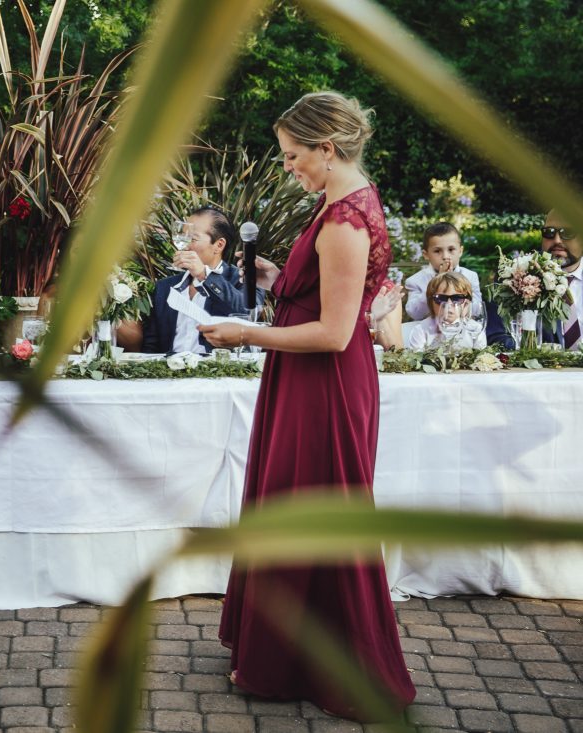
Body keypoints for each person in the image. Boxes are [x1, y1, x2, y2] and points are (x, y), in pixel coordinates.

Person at [198, 91, 415, 721]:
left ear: (328, 148)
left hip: (324, 384)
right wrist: (273, 278)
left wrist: (245, 333)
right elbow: (318, 294)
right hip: (305, 380)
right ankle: (284, 652)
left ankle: (316, 664)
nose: (290, 165)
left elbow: (335, 332)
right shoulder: (338, 204)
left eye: (296, 155)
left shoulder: (347, 219)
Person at [487, 210, 583, 349]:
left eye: (568, 232)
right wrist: (531, 352)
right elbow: (496, 335)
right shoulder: (515, 276)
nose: (557, 240)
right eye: (549, 232)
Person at [141, 206, 252, 354]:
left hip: (218, 372)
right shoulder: (164, 287)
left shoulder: (242, 278)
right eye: (183, 237)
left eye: (192, 238)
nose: (185, 244)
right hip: (168, 371)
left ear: (219, 245)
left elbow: (245, 312)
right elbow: (151, 345)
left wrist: (203, 275)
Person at [404, 222, 482, 321]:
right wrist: (436, 283)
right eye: (437, 251)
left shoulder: (470, 276)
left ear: (460, 251)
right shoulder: (414, 281)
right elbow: (415, 313)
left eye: (451, 249)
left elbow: (477, 310)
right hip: (429, 333)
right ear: (426, 254)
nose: (445, 256)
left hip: (461, 330)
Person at [405, 271, 486, 350]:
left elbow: (481, 359)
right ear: (430, 302)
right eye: (441, 298)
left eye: (457, 298)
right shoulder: (421, 330)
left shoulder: (475, 329)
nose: (448, 304)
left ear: (466, 303)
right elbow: (416, 360)